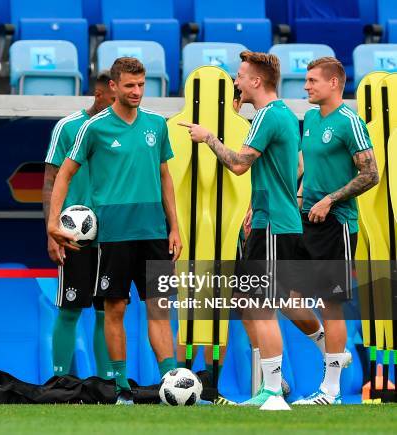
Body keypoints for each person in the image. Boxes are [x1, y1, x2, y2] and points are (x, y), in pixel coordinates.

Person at [48, 57, 182, 405]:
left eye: (141, 85)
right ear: (114, 87)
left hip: (154, 232)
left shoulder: (157, 124)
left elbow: (165, 177)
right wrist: (52, 223)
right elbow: (62, 174)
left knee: (159, 309)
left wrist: (175, 227)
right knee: (115, 309)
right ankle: (120, 387)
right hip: (114, 236)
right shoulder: (94, 128)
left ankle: (172, 382)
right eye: (129, 86)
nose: (136, 92)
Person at [179, 51, 301, 407]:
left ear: (256, 82)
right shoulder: (281, 115)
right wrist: (256, 204)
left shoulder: (265, 116)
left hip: (276, 225)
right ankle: (270, 388)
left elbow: (237, 165)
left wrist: (208, 138)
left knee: (261, 307)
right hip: (266, 221)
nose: (236, 82)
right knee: (249, 304)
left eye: (240, 76)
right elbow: (288, 169)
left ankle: (275, 390)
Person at [294, 57, 378, 405]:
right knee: (284, 294)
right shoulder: (311, 118)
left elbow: (371, 174)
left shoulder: (350, 122)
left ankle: (330, 390)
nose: (306, 86)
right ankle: (331, 346)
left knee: (331, 303)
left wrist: (329, 199)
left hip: (337, 224)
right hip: (304, 219)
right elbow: (305, 167)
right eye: (306, 80)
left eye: (313, 80)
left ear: (334, 83)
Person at [43, 71, 115, 378]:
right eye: (113, 99)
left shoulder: (122, 128)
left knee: (108, 310)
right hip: (73, 234)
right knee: (70, 307)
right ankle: (60, 379)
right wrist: (51, 232)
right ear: (99, 95)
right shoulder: (68, 127)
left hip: (111, 234)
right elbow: (49, 181)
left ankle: (107, 383)